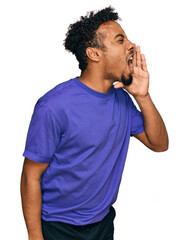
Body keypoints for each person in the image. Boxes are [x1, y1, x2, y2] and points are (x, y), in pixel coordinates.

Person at [20, 6, 169, 240]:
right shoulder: (53, 106)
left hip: (102, 223)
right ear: (94, 54)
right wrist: (35, 237)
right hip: (58, 227)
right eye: (120, 40)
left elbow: (159, 144)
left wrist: (142, 97)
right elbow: (31, 176)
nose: (131, 45)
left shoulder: (122, 100)